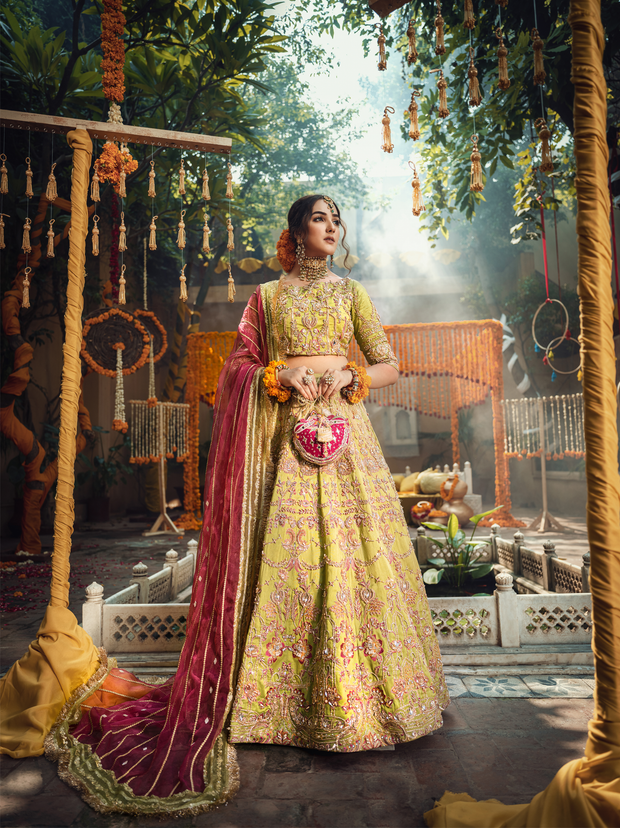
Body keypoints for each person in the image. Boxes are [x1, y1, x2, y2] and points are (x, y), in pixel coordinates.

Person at [46, 195, 449, 816]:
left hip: (346, 440)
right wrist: (277, 376)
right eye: (320, 218)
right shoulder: (267, 298)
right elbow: (239, 365)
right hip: (287, 442)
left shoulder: (351, 294)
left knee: (357, 559)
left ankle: (373, 700)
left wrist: (353, 377)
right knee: (290, 561)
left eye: (336, 219)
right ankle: (274, 706)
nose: (332, 227)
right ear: (296, 231)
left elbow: (389, 364)